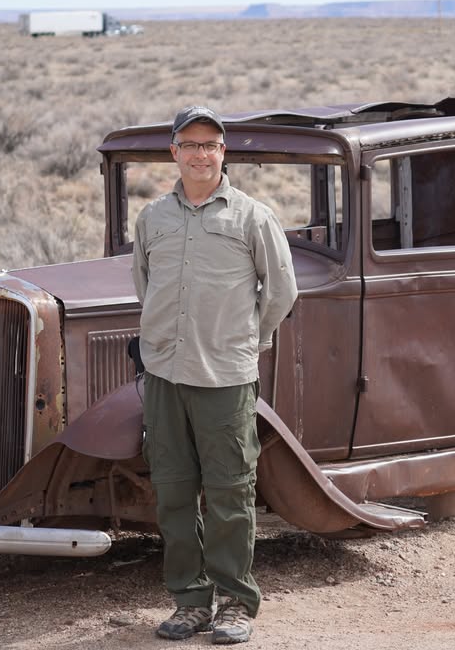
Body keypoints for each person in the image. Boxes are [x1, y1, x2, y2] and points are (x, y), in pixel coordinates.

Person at [131, 105, 298, 644]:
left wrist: (249, 342)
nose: (201, 154)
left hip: (224, 376)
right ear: (174, 153)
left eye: (211, 144)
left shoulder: (252, 217)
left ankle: (235, 605)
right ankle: (190, 601)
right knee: (174, 490)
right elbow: (145, 283)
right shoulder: (153, 217)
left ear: (223, 153)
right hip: (164, 374)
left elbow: (280, 293)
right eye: (190, 144)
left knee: (230, 492)